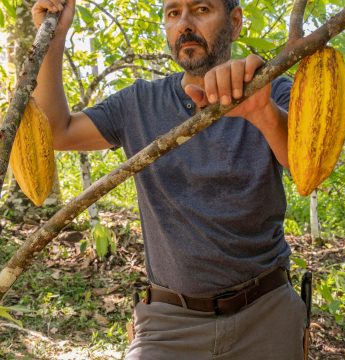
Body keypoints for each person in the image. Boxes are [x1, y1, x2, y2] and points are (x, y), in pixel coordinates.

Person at [32, 0, 307, 359]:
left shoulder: (271, 89)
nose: (185, 24)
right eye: (173, 13)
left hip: (266, 313)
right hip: (167, 323)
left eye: (202, 9)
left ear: (235, 21)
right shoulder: (139, 103)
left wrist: (263, 112)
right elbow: (56, 132)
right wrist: (54, 36)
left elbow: (308, 169)